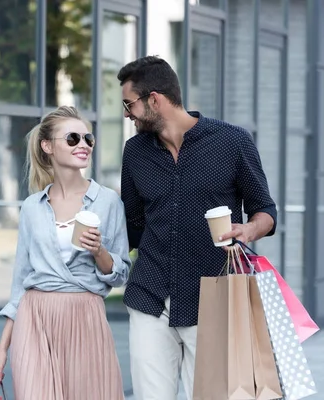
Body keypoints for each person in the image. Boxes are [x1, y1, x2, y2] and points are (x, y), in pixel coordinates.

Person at [118, 56, 277, 400]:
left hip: (212, 299)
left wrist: (248, 231)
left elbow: (265, 210)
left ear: (155, 99)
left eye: (129, 104)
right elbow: (133, 224)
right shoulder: (134, 153)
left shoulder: (233, 142)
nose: (127, 113)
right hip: (150, 298)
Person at [0, 105, 131, 400]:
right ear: (47, 146)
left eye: (88, 139)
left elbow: (120, 273)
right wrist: (2, 350)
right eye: (73, 138)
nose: (83, 145)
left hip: (85, 318)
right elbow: (21, 282)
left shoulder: (107, 202)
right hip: (34, 319)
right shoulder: (31, 207)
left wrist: (98, 250)